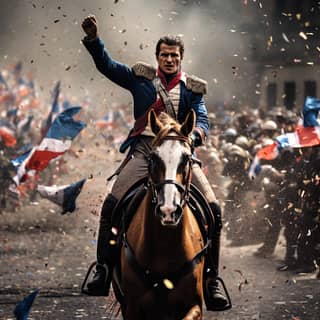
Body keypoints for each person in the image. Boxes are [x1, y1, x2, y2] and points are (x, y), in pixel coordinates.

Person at [81, 14, 229, 311]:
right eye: (164, 55)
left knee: (213, 209)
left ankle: (211, 279)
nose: (169, 59)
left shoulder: (192, 89)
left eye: (174, 55)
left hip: (181, 151)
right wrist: (94, 40)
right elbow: (107, 66)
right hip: (146, 150)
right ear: (157, 56)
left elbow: (202, 120)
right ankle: (103, 270)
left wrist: (193, 138)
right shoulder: (141, 79)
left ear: (181, 58)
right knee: (111, 204)